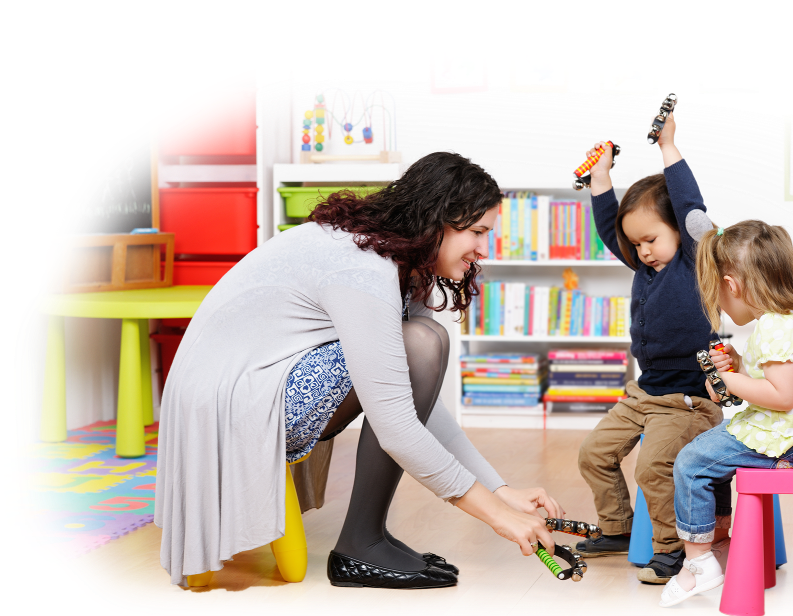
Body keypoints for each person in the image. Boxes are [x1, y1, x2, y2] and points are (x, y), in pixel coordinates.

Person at [155, 151, 565, 589]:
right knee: (422, 343)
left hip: (260, 385)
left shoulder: (400, 263)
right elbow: (397, 424)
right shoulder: (364, 269)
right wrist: (495, 515)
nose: (484, 249)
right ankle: (361, 543)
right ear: (435, 220)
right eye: (477, 232)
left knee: (422, 342)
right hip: (229, 407)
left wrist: (499, 491)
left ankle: (368, 536)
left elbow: (408, 402)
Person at [659, 219, 793, 607]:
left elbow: (780, 397)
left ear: (732, 286)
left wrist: (727, 382)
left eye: (719, 296)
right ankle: (722, 542)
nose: (721, 306)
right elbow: (778, 384)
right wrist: (739, 366)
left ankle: (698, 562)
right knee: (710, 456)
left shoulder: (773, 328)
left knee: (691, 462)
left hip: (789, 443)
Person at [574, 113, 726, 585]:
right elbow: (608, 229)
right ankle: (619, 529)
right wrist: (602, 178)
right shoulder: (645, 268)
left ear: (679, 231)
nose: (643, 250)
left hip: (687, 401)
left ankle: (674, 550)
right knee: (592, 453)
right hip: (644, 394)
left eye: (652, 239)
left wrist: (668, 146)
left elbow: (688, 203)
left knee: (654, 469)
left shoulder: (692, 259)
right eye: (636, 243)